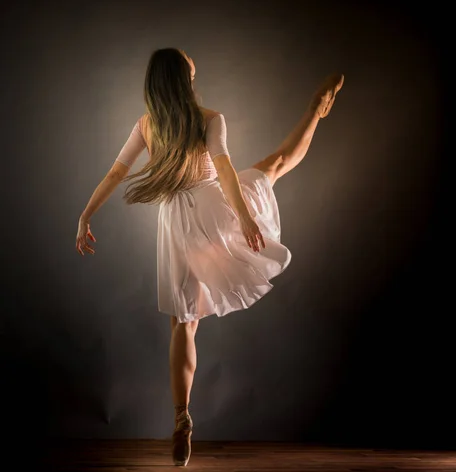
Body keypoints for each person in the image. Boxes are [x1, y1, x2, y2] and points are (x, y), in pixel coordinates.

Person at [75, 47, 344, 467]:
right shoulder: (209, 118)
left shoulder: (147, 125)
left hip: (177, 226)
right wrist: (245, 219)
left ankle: (182, 417)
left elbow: (115, 173)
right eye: (190, 64)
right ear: (184, 77)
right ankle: (314, 112)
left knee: (184, 323)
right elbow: (225, 169)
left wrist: (85, 216)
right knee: (274, 165)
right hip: (214, 210)